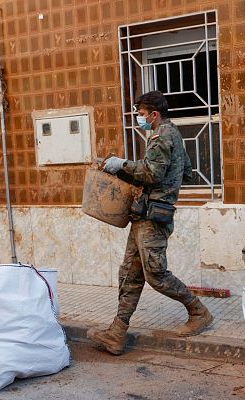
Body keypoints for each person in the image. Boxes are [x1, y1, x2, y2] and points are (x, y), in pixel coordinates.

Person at [87, 91, 213, 355]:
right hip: (144, 215)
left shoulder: (161, 136)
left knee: (155, 274)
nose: (139, 119)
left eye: (142, 114)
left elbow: (151, 173)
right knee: (130, 275)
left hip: (154, 218)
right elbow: (186, 173)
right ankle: (116, 333)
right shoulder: (173, 134)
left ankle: (199, 311)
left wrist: (122, 165)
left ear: (154, 114)